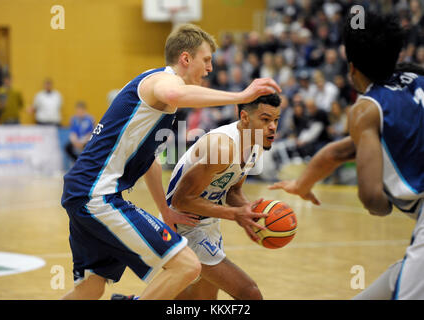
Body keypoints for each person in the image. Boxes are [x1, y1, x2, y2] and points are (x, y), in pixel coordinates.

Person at [60, 23, 281, 300]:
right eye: (207, 60)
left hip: (84, 192)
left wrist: (165, 212)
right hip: (97, 195)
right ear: (186, 59)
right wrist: (240, 96)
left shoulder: (161, 105)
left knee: (90, 288)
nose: (210, 68)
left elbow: (149, 161)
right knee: (187, 266)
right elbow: (176, 94)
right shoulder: (163, 82)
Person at [270, 12, 424, 300]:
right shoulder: (416, 78)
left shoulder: (367, 108)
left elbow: (370, 196)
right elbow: (340, 151)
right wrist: (301, 185)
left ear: (352, 68)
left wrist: (383, 207)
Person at [113, 93, 281, 300]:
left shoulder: (255, 144)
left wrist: (249, 213)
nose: (272, 126)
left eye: (275, 120)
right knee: (250, 294)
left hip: (209, 224)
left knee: (199, 299)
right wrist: (235, 214)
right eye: (265, 119)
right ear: (245, 117)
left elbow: (232, 190)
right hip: (182, 223)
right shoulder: (222, 148)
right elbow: (181, 200)